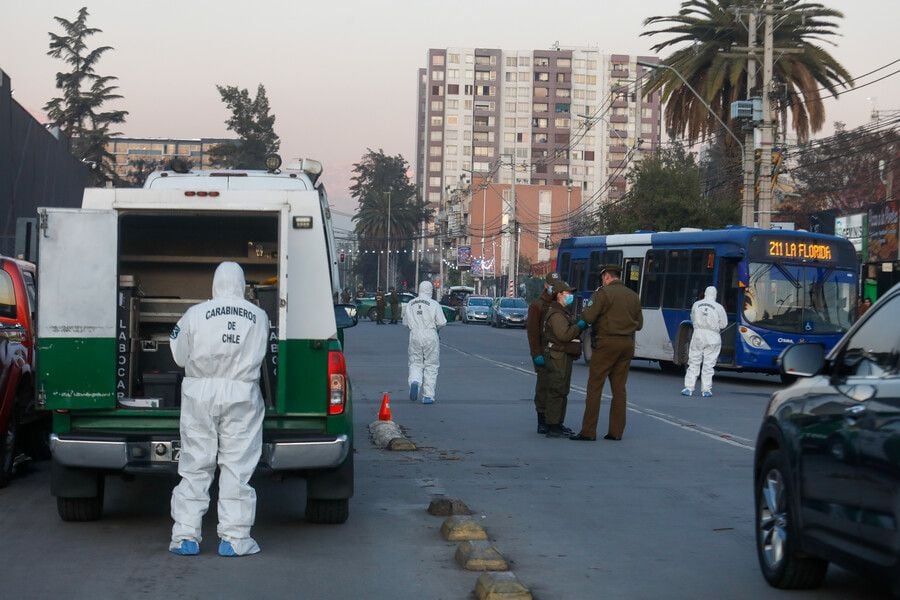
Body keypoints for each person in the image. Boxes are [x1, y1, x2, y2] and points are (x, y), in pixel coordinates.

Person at [168, 262, 270, 557]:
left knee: (195, 465)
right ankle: (234, 540)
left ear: (214, 283)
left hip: (200, 393)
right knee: (237, 468)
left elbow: (178, 353)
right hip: (242, 393)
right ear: (241, 284)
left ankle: (185, 537)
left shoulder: (194, 314)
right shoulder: (259, 316)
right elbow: (262, 351)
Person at [570, 264, 642, 442]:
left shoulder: (603, 293)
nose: (603, 280)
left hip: (606, 343)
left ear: (607, 277)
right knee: (619, 389)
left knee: (595, 386)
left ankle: (588, 431)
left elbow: (588, 317)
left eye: (603, 277)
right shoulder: (633, 296)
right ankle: (616, 432)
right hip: (626, 344)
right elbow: (639, 324)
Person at [541, 279, 585, 438]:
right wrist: (579, 327)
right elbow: (564, 335)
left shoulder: (562, 311)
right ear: (559, 294)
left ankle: (558, 423)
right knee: (556, 390)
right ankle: (552, 425)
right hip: (557, 356)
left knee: (562, 390)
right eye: (567, 293)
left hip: (562, 355)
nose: (570, 296)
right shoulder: (556, 314)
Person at [527, 272, 561, 434]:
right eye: (551, 285)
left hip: (559, 353)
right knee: (543, 387)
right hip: (543, 352)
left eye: (557, 284)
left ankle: (554, 421)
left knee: (557, 388)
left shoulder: (560, 303)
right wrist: (536, 354)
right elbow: (532, 333)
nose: (554, 288)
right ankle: (542, 421)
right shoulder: (537, 305)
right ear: (546, 285)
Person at [681, 286, 728, 398]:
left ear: (705, 293)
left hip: (698, 334)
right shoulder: (719, 307)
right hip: (713, 336)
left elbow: (692, 318)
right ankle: (706, 390)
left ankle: (689, 388)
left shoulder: (696, 304)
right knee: (709, 364)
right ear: (715, 295)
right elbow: (724, 324)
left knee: (694, 361)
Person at [406, 280, 447, 404]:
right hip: (430, 334)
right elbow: (442, 322)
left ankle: (415, 381)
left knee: (415, 362)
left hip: (414, 334)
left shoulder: (410, 303)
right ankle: (428, 396)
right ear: (430, 290)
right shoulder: (434, 304)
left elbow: (405, 322)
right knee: (431, 364)